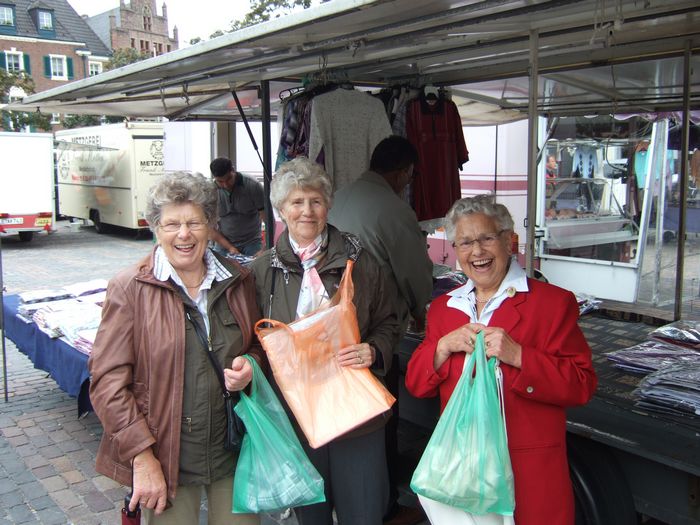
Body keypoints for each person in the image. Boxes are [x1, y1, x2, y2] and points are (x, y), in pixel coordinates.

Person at [405, 194, 597, 525]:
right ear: (455, 249)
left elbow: (582, 384)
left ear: (509, 241)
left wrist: (520, 356)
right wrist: (442, 348)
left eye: (486, 238)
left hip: (528, 473)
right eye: (465, 242)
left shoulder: (552, 304)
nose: (477, 251)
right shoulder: (443, 310)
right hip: (462, 474)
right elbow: (417, 385)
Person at [88, 171, 262, 525]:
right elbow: (107, 383)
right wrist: (141, 457)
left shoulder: (238, 280)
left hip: (232, 448)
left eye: (194, 222)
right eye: (171, 224)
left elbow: (258, 344)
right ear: (156, 227)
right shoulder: (130, 288)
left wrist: (251, 364)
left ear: (210, 225)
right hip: (165, 455)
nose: (184, 234)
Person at [251, 157, 399, 525]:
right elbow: (250, 338)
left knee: (363, 513)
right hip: (297, 415)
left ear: (328, 204)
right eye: (296, 202)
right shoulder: (262, 270)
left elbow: (389, 320)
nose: (307, 211)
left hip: (355, 413)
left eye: (315, 201)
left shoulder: (360, 261)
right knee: (311, 516)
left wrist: (374, 350)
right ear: (281, 209)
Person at [328, 135, 433, 525]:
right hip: (375, 329)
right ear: (404, 172)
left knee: (345, 418)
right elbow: (415, 273)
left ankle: (348, 495)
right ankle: (385, 504)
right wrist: (421, 310)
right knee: (381, 414)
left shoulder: (339, 196)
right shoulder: (393, 208)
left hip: (332, 328)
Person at [209, 157, 266, 256]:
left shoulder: (253, 186)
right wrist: (230, 247)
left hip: (252, 242)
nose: (225, 185)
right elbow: (209, 228)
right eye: (220, 182)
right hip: (223, 243)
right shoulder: (211, 191)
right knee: (215, 264)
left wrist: (264, 249)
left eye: (228, 179)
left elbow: (269, 221)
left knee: (258, 264)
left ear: (233, 170)